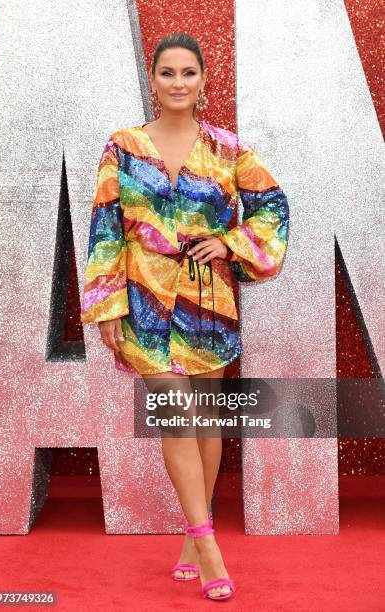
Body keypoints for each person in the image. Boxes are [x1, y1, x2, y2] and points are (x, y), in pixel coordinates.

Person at [80, 32, 289, 601]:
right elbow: (105, 226)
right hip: (144, 301)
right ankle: (209, 543)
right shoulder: (122, 146)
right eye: (167, 73)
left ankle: (192, 543)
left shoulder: (226, 149)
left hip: (208, 302)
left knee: (207, 423)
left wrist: (232, 244)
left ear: (202, 81)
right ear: (152, 79)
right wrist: (105, 305)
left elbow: (272, 204)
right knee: (176, 416)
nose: (177, 83)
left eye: (188, 74)